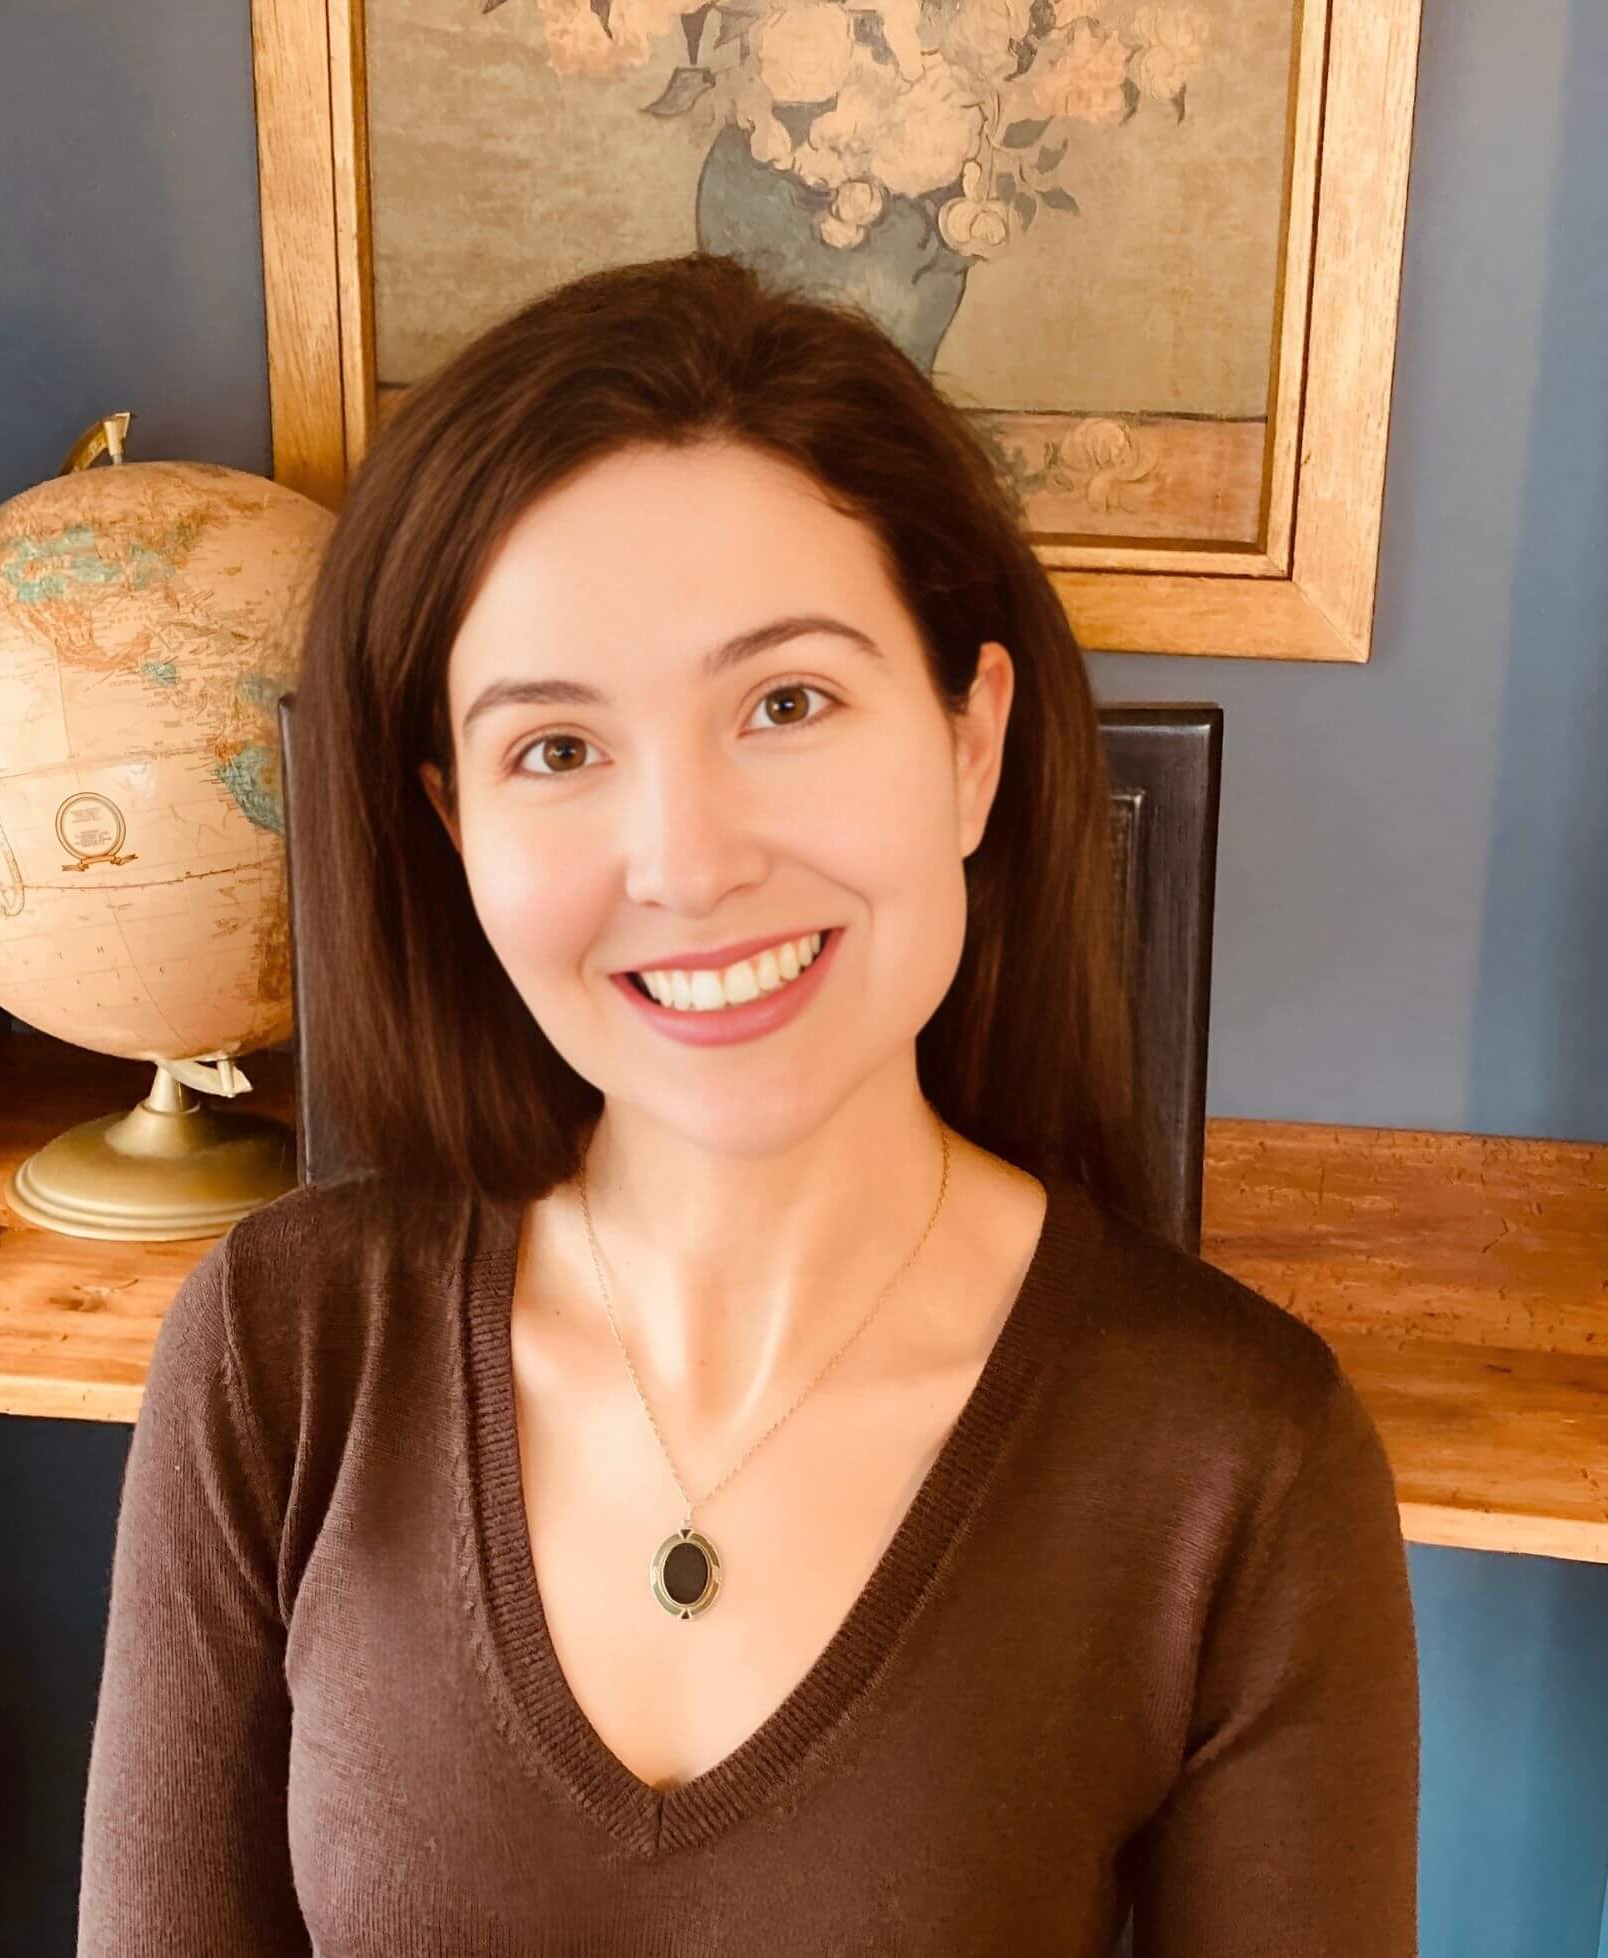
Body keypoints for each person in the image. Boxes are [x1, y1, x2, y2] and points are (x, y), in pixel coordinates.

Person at [77, 253, 1419, 1955]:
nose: (688, 863)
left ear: (968, 740)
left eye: (785, 703)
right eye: (554, 749)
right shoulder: (279, 1352)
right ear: (452, 824)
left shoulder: (1240, 1463)